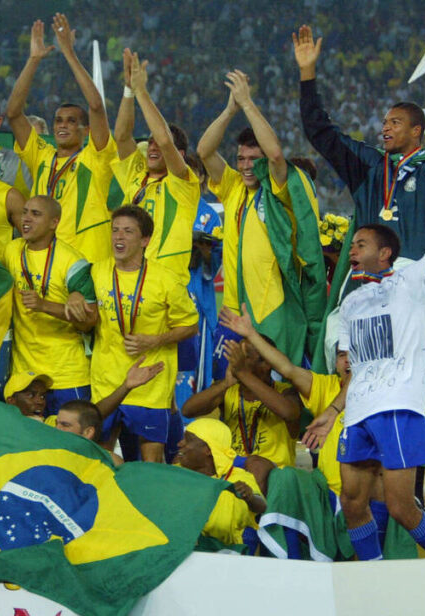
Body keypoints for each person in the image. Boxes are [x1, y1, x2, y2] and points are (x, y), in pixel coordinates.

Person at [294, 24, 425, 468]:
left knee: (406, 378)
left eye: (395, 123)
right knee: (347, 361)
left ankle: (411, 477)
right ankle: (347, 456)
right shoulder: (367, 164)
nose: (384, 128)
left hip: (410, 290)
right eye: (384, 122)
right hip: (364, 287)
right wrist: (308, 76)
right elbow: (320, 132)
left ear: (417, 131)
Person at [304, 157, 425, 561]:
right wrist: (332, 412)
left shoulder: (410, 281)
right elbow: (358, 371)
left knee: (401, 506)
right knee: (351, 502)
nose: (352, 249)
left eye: (360, 244)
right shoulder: (351, 304)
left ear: (385, 253)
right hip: (361, 410)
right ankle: (373, 571)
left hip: (398, 407)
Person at [197, 69, 322, 366]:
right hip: (231, 311)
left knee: (271, 392)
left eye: (253, 159)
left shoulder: (278, 189)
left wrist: (248, 104)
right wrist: (231, 109)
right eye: (241, 158)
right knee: (227, 393)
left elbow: (277, 155)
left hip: (271, 312)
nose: (245, 166)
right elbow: (204, 150)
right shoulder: (233, 187)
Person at [0, 195, 96, 414]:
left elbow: (90, 321)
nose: (26, 219)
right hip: (24, 377)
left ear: (54, 222)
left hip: (66, 375)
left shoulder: (72, 261)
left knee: (68, 443)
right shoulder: (11, 251)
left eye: (36, 214)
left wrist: (45, 306)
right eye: (25, 212)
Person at [6, 15, 116, 263]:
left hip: (85, 260)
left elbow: (97, 106)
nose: (63, 125)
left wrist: (69, 53)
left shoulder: (96, 157)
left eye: (71, 121)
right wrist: (34, 60)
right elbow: (13, 113)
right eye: (58, 120)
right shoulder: (42, 155)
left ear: (86, 130)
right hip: (44, 258)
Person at [92, 205, 197, 463]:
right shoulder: (96, 272)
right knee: (100, 458)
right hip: (107, 380)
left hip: (150, 382)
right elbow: (77, 294)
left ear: (145, 240)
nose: (119, 237)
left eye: (128, 231)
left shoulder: (166, 280)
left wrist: (155, 340)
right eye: (115, 230)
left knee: (151, 464)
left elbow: (191, 326)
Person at [111, 50, 200, 276]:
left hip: (166, 280)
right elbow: (121, 136)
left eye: (157, 144)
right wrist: (129, 90)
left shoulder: (183, 183)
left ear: (178, 153)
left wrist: (142, 91)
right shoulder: (137, 174)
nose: (152, 146)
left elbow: (164, 139)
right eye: (149, 143)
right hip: (130, 275)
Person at [182, 334, 302, 467]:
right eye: (235, 355)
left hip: (273, 471)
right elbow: (187, 410)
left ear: (266, 363)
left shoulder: (287, 392)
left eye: (244, 356)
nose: (235, 361)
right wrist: (225, 384)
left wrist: (242, 373)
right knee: (181, 459)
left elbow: (288, 413)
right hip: (234, 467)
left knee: (256, 465)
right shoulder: (228, 389)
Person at [176, 418, 265, 549]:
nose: (179, 444)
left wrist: (250, 497)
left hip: (227, 553)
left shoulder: (236, 477)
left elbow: (261, 506)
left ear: (208, 449)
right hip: (182, 550)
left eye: (187, 440)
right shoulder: (175, 474)